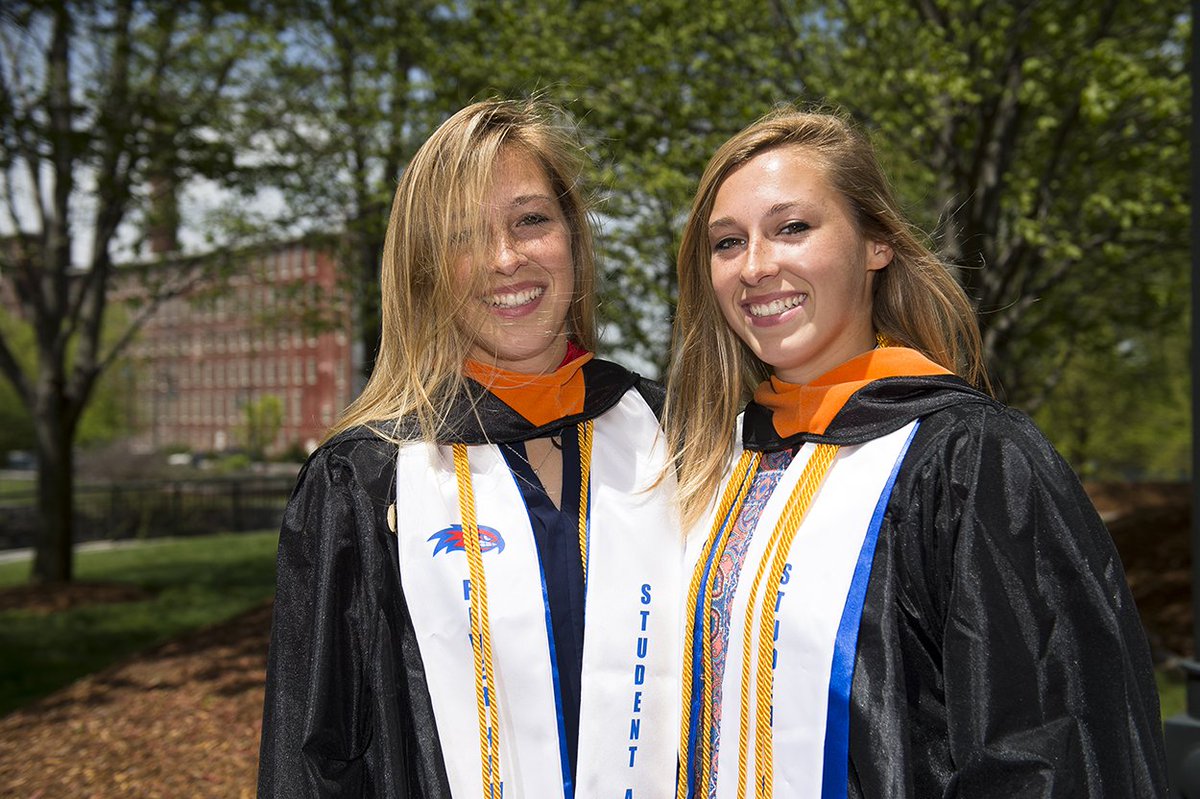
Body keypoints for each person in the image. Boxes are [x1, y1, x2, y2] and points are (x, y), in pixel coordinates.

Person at [663, 107, 1167, 798]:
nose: (755, 265)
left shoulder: (973, 463)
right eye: (727, 242)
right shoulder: (712, 467)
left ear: (877, 243)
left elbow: (1052, 753)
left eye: (792, 228)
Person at [258, 99, 682, 798]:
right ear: (425, 270)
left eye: (531, 220)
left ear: (573, 236)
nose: (505, 257)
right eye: (463, 235)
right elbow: (312, 764)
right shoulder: (367, 482)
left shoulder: (671, 434)